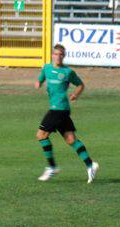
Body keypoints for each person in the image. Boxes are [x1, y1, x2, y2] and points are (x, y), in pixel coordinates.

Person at [35, 44, 99, 183]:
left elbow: (81, 85)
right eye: (56, 54)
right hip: (60, 110)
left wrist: (75, 94)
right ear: (52, 55)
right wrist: (38, 83)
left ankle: (52, 167)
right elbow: (40, 78)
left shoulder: (68, 72)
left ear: (64, 56)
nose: (58, 57)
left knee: (41, 135)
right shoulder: (46, 68)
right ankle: (90, 164)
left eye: (61, 54)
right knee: (71, 139)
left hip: (59, 109)